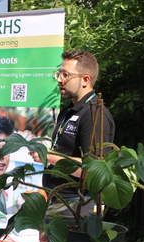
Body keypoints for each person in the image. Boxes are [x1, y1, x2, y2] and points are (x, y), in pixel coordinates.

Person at [29, 49, 115, 217]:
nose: (59, 80)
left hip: (77, 206)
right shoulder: (70, 109)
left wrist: (49, 157)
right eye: (59, 73)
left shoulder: (95, 115)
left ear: (85, 80)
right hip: (57, 201)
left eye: (66, 75)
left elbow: (94, 171)